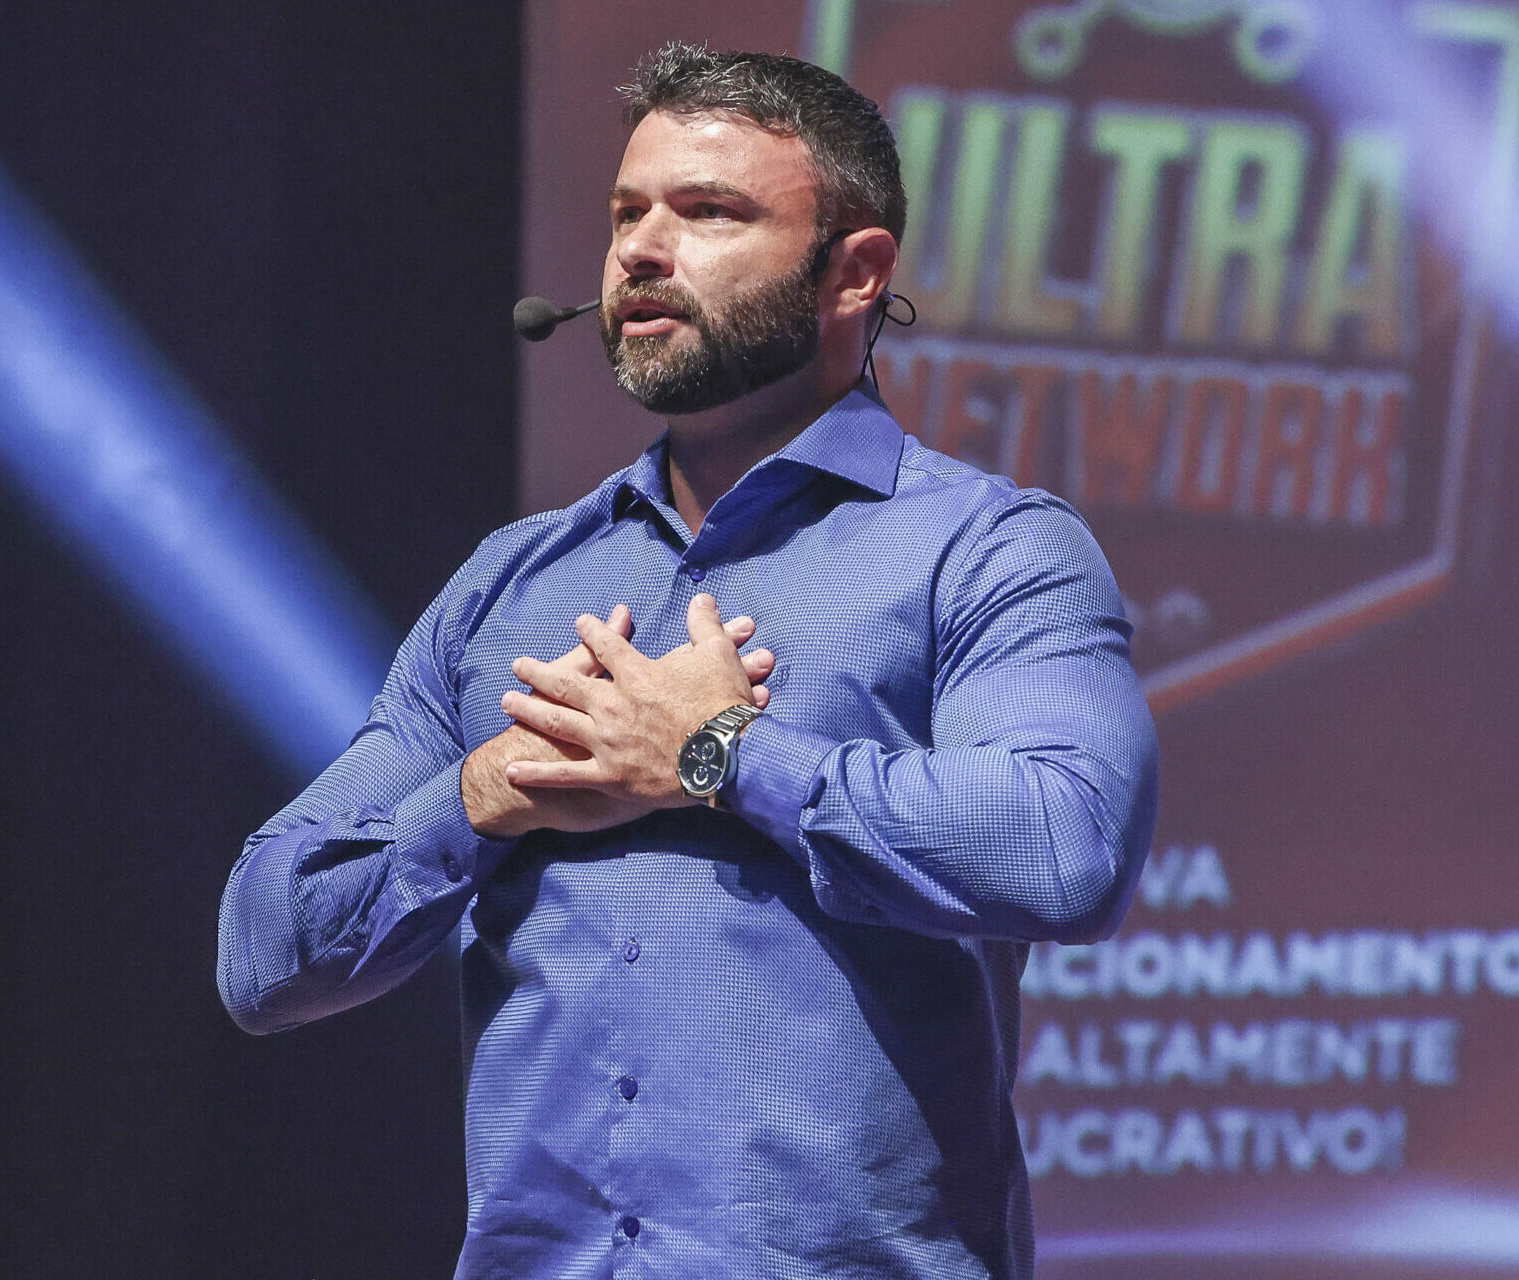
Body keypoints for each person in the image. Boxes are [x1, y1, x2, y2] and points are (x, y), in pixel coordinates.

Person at [217, 42, 1158, 1280]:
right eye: (626, 214)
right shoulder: (509, 582)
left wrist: (716, 755)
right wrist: (480, 795)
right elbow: (264, 952)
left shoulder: (985, 550)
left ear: (855, 273)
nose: (640, 252)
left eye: (708, 212)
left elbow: (1067, 849)